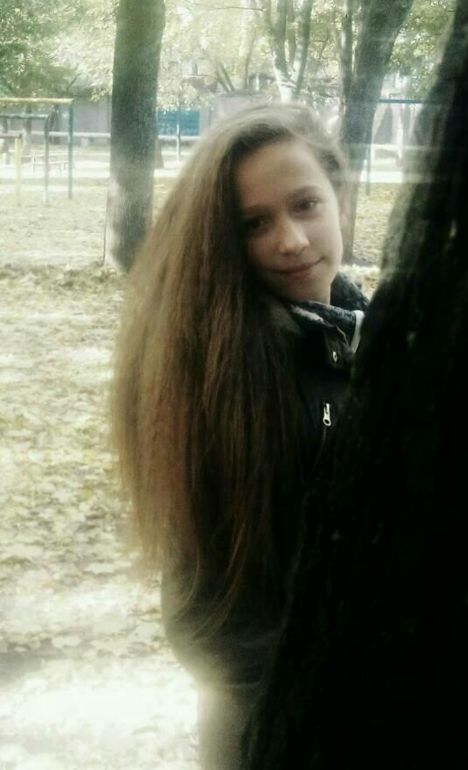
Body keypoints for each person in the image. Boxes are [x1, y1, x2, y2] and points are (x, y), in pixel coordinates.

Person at [111, 103, 369, 769]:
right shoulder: (219, 375)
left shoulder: (351, 331)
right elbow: (212, 617)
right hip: (280, 727)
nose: (293, 241)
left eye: (306, 205)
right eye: (255, 224)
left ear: (339, 197)